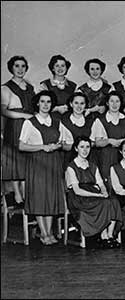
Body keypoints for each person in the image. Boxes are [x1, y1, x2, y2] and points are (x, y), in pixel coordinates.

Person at [19, 90, 73, 245]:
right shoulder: (30, 122)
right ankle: (43, 233)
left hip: (54, 162)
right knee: (39, 197)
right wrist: (42, 147)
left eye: (48, 102)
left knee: (50, 197)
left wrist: (59, 145)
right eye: (42, 101)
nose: (45, 105)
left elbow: (69, 144)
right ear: (37, 103)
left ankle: (49, 232)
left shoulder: (57, 122)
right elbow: (22, 146)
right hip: (37, 163)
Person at [65, 136, 122, 249]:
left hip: (94, 195)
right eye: (82, 147)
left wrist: (104, 192)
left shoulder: (93, 166)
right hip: (79, 198)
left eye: (87, 147)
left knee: (113, 201)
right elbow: (77, 190)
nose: (85, 150)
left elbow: (100, 184)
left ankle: (110, 235)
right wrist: (99, 195)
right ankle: (103, 236)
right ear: (76, 149)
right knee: (103, 203)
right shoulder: (71, 167)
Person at [1, 56, 35, 208]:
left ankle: (26, 195)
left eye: (23, 66)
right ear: (11, 68)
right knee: (15, 159)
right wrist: (22, 115)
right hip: (15, 126)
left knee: (26, 161)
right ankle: (17, 195)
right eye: (17, 66)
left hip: (29, 126)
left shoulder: (29, 87)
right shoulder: (5, 88)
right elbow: (3, 110)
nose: (20, 69)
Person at [90, 91, 125, 180]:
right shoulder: (100, 120)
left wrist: (122, 143)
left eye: (117, 101)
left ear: (121, 103)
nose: (114, 104)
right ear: (107, 103)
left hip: (123, 156)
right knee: (108, 180)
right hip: (106, 156)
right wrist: (109, 141)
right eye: (112, 101)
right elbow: (97, 142)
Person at [61, 92, 96, 169]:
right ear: (71, 104)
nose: (79, 106)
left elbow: (93, 143)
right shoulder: (64, 121)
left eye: (82, 103)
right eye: (76, 103)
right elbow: (63, 145)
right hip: (69, 161)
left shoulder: (91, 122)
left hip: (88, 162)